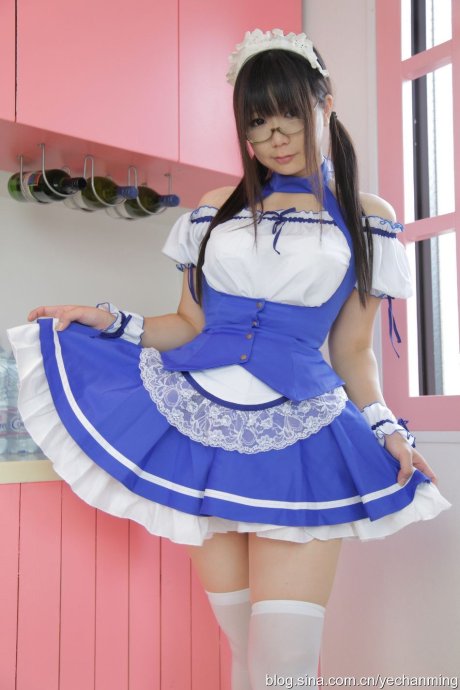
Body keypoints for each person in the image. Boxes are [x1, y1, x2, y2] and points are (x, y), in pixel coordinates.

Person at [7, 28, 451, 690]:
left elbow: (353, 349)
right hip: (200, 427)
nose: (275, 137)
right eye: (257, 122)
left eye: (289, 115)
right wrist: (111, 320)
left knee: (285, 664)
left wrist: (386, 425)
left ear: (325, 104)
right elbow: (189, 324)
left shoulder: (368, 217)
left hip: (300, 435)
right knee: (244, 652)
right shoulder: (215, 211)